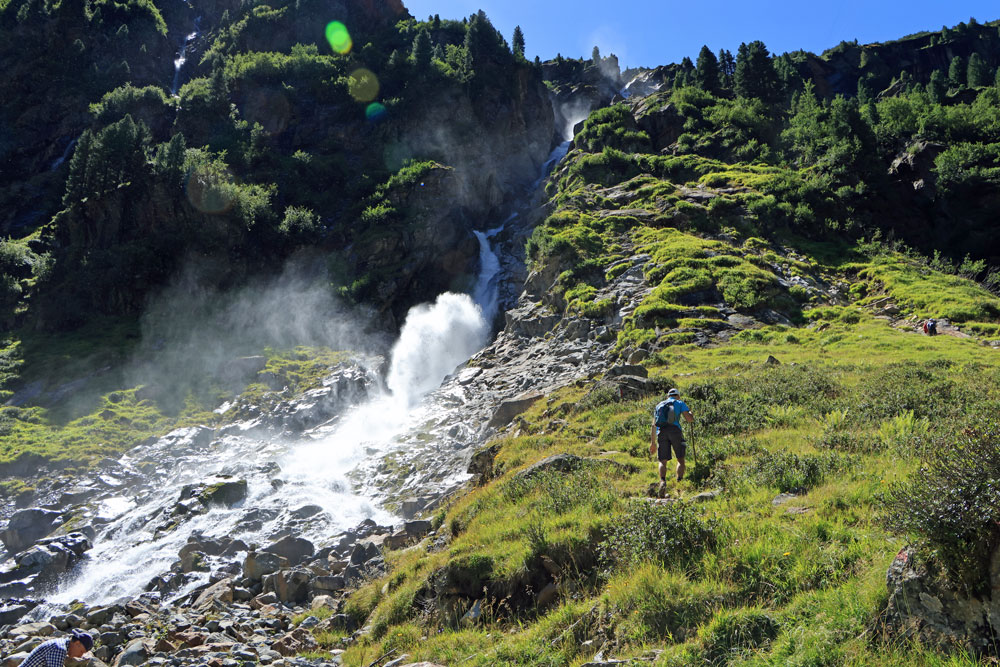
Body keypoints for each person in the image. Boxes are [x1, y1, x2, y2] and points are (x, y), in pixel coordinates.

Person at [649, 387, 694, 497]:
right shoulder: (679, 403)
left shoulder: (659, 405)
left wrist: (653, 442)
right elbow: (689, 419)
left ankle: (663, 481)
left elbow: (654, 425)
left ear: (668, 396)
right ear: (678, 396)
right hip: (675, 431)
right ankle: (679, 483)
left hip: (662, 432)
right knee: (680, 459)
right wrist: (691, 413)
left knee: (662, 461)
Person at [19, 629, 92, 666]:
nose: (80, 656)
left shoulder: (60, 644)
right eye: (81, 651)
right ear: (77, 643)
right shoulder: (59, 649)